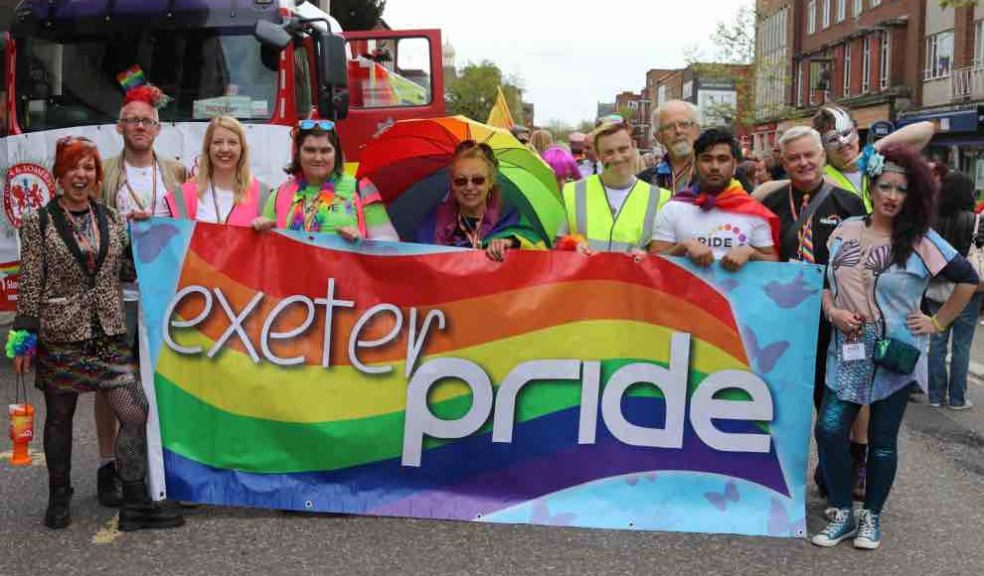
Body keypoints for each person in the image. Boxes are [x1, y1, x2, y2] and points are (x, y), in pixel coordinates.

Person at [11, 136, 184, 531]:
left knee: (134, 410)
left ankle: (135, 501)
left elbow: (126, 268)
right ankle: (59, 496)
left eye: (88, 167)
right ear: (59, 173)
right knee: (60, 418)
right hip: (61, 334)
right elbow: (31, 281)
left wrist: (152, 237)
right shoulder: (37, 222)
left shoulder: (110, 218)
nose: (81, 174)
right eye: (73, 166)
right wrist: (23, 339)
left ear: (96, 174)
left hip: (107, 333)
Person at [813, 145, 978, 550]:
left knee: (882, 439)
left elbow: (968, 278)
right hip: (846, 351)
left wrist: (937, 322)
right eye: (884, 186)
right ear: (871, 186)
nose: (891, 195)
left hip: (894, 355)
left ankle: (871, 517)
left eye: (901, 189)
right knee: (830, 429)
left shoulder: (922, 240)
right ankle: (841, 511)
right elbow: (825, 284)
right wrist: (832, 312)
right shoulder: (845, 230)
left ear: (913, 195)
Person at [760, 126, 866, 497]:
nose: (803, 163)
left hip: (831, 320)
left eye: (809, 155)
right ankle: (775, 472)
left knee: (833, 401)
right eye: (794, 157)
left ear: (822, 156)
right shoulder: (770, 203)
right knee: (781, 400)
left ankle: (841, 469)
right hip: (782, 319)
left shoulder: (849, 203)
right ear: (782, 161)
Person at [97, 83, 187, 508]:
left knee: (164, 378)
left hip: (163, 293)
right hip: (118, 292)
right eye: (131, 120)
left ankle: (157, 459)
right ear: (119, 127)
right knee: (111, 381)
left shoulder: (174, 172)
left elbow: (188, 224)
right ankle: (106, 464)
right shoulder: (105, 173)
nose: (139, 127)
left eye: (146, 121)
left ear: (158, 128)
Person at [754, 106, 935, 210]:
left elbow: (926, 129)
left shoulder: (877, 161)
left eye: (847, 133)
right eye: (833, 139)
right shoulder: (823, 176)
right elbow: (762, 192)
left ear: (856, 132)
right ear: (823, 146)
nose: (843, 143)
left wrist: (872, 150)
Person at [651, 129, 779, 271]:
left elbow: (774, 263)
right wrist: (682, 248)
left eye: (722, 159)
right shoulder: (673, 208)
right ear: (695, 164)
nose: (715, 167)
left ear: (735, 165)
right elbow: (653, 263)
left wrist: (751, 253)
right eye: (707, 159)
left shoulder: (752, 210)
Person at [263, 119, 398, 241]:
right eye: (310, 150)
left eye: (325, 151)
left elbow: (389, 243)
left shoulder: (361, 188)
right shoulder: (279, 194)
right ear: (298, 154)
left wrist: (361, 242)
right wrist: (259, 230)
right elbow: (266, 248)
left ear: (336, 154)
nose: (318, 158)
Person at [414, 140, 544, 260]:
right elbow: (419, 263)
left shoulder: (511, 218)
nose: (469, 187)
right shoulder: (434, 223)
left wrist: (511, 243)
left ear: (490, 182)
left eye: (478, 180)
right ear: (452, 183)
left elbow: (540, 253)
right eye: (461, 180)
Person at [556, 121, 671, 254]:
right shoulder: (571, 192)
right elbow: (557, 244)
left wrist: (647, 258)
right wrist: (572, 246)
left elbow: (663, 255)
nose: (617, 158)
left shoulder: (660, 198)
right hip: (585, 274)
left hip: (632, 274)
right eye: (609, 152)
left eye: (623, 149)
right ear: (598, 155)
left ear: (634, 146)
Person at [926, 171, 984, 410]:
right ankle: (957, 398)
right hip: (968, 290)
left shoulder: (932, 219)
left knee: (937, 342)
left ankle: (935, 396)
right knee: (962, 345)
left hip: (937, 287)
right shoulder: (976, 220)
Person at [165, 116, 273, 229]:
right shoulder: (183, 195)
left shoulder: (263, 193)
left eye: (232, 142)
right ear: (208, 148)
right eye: (217, 142)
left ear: (242, 149)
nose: (225, 149)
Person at [637, 100, 701, 193]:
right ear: (658, 137)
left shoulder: (717, 173)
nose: (678, 131)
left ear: (697, 130)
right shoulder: (643, 181)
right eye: (669, 127)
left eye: (684, 124)